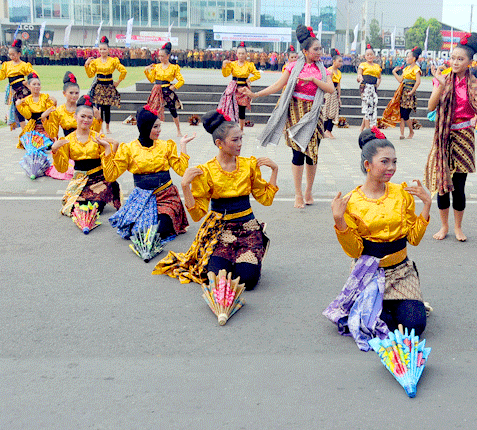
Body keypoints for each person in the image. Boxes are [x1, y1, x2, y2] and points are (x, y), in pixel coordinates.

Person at [324, 128, 432, 350]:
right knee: (375, 326)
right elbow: (355, 251)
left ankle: (395, 303)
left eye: (394, 162)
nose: (391, 168)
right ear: (368, 165)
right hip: (369, 273)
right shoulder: (351, 202)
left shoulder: (402, 194)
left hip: (402, 272)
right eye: (385, 162)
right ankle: (382, 303)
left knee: (414, 326)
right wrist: (339, 220)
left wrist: (427, 206)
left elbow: (413, 238)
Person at [152, 110, 279, 290]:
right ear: (219, 143)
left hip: (247, 230)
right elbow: (197, 215)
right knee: (218, 280)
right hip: (220, 231)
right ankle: (235, 260)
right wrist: (185, 186)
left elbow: (266, 200)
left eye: (241, 138)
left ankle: (255, 250)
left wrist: (274, 171)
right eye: (235, 140)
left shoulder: (249, 165)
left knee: (246, 281)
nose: (240, 144)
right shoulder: (206, 171)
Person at [424, 32, 477, 242]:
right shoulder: (442, 78)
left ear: (470, 62)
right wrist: (441, 86)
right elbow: (430, 106)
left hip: (464, 136)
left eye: (460, 59)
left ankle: (458, 227)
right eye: (453, 58)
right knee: (442, 184)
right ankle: (444, 226)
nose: (455, 62)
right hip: (443, 136)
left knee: (459, 186)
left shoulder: (475, 85)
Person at [247, 25, 334, 209]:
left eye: (320, 49)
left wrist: (314, 80)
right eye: (316, 49)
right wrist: (256, 95)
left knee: (312, 155)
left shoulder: (323, 69)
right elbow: (278, 85)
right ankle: (298, 193)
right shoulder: (293, 66)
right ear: (305, 51)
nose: (320, 52)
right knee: (297, 154)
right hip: (295, 111)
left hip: (314, 113)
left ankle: (309, 190)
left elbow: (330, 89)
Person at [102, 106, 193, 241]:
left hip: (166, 196)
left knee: (160, 229)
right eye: (155, 127)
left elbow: (181, 171)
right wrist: (108, 149)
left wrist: (183, 146)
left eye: (159, 126)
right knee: (140, 231)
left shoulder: (166, 146)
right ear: (145, 126)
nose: (159, 130)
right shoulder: (129, 149)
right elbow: (111, 176)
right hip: (142, 197)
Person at [51, 95, 121, 216]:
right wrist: (55, 151)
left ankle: (103, 197)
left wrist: (108, 147)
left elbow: (109, 167)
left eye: (89, 117)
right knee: (73, 208)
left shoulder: (98, 138)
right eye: (82, 116)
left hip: (99, 180)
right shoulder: (67, 140)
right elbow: (61, 168)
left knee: (94, 208)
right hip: (80, 179)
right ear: (75, 116)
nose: (86, 120)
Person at [84, 36, 127, 134]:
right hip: (99, 86)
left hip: (109, 86)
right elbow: (90, 75)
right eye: (100, 49)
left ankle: (107, 127)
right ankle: (100, 127)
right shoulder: (95, 62)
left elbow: (123, 70)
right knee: (99, 108)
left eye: (104, 49)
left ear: (108, 50)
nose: (102, 51)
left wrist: (118, 82)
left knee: (107, 108)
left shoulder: (113, 61)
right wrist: (87, 65)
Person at [218, 42, 261, 130]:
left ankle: (241, 129)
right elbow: (225, 75)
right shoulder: (232, 64)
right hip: (234, 88)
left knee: (242, 109)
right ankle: (232, 127)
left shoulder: (249, 65)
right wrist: (224, 65)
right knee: (232, 107)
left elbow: (257, 75)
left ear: (246, 54)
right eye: (239, 53)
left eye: (243, 53)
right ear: (236, 54)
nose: (241, 55)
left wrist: (250, 79)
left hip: (244, 89)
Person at [144, 42, 185, 135]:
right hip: (156, 90)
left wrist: (174, 86)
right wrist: (146, 71)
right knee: (153, 110)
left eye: (163, 56)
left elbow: (181, 80)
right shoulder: (156, 67)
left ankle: (178, 130)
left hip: (167, 91)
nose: (160, 58)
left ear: (168, 56)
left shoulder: (174, 68)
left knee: (173, 110)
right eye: (159, 56)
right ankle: (152, 130)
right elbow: (151, 80)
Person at [15, 72, 56, 149]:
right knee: (29, 142)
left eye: (38, 84)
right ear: (29, 86)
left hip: (45, 125)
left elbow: (51, 110)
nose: (36, 86)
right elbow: (28, 115)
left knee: (48, 141)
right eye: (34, 84)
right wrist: (19, 106)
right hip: (33, 125)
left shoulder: (45, 97)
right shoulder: (26, 100)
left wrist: (54, 102)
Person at [0, 39, 34, 130]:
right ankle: (25, 130)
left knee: (24, 108)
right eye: (9, 54)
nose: (11, 56)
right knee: (18, 109)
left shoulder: (24, 65)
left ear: (19, 54)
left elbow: (33, 75)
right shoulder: (6, 65)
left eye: (13, 54)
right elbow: (1, 76)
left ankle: (33, 125)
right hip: (14, 90)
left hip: (23, 89)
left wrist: (28, 83)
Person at [390, 46, 422, 140]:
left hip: (410, 93)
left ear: (414, 58)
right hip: (403, 93)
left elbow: (418, 82)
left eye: (408, 57)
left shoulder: (416, 69)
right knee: (401, 114)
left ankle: (411, 131)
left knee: (406, 114)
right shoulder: (406, 69)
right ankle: (402, 133)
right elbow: (401, 80)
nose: (407, 58)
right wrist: (394, 72)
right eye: (407, 57)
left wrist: (412, 91)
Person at [357, 45, 382, 132]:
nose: (369, 56)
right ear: (365, 56)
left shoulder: (377, 66)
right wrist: (360, 78)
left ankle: (363, 127)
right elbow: (359, 74)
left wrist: (377, 84)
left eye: (371, 54)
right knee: (366, 107)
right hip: (366, 87)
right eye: (367, 55)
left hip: (373, 88)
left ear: (374, 56)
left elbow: (379, 77)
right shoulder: (362, 65)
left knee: (372, 107)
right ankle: (368, 129)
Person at [322, 49, 343, 139]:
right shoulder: (329, 71)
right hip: (329, 92)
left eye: (341, 62)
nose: (341, 63)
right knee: (328, 112)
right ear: (334, 61)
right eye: (339, 61)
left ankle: (328, 130)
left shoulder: (339, 73)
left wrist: (339, 97)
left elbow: (338, 85)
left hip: (335, 93)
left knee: (333, 112)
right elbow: (326, 83)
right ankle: (326, 130)